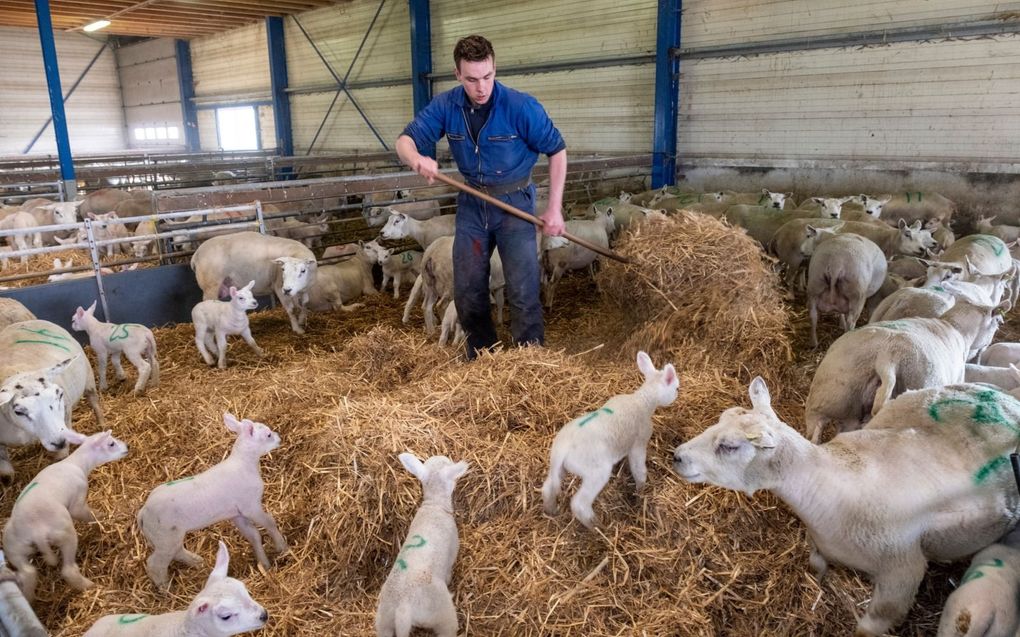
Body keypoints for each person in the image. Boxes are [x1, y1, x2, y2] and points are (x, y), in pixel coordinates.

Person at [396, 34, 567, 359]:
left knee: (521, 288)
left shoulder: (521, 107)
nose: (481, 87)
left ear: (494, 69)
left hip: (514, 204)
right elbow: (405, 140)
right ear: (458, 74)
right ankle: (482, 355)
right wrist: (417, 159)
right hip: (473, 205)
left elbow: (557, 151)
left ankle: (529, 359)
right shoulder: (447, 105)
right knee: (468, 289)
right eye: (472, 79)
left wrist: (555, 208)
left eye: (487, 76)